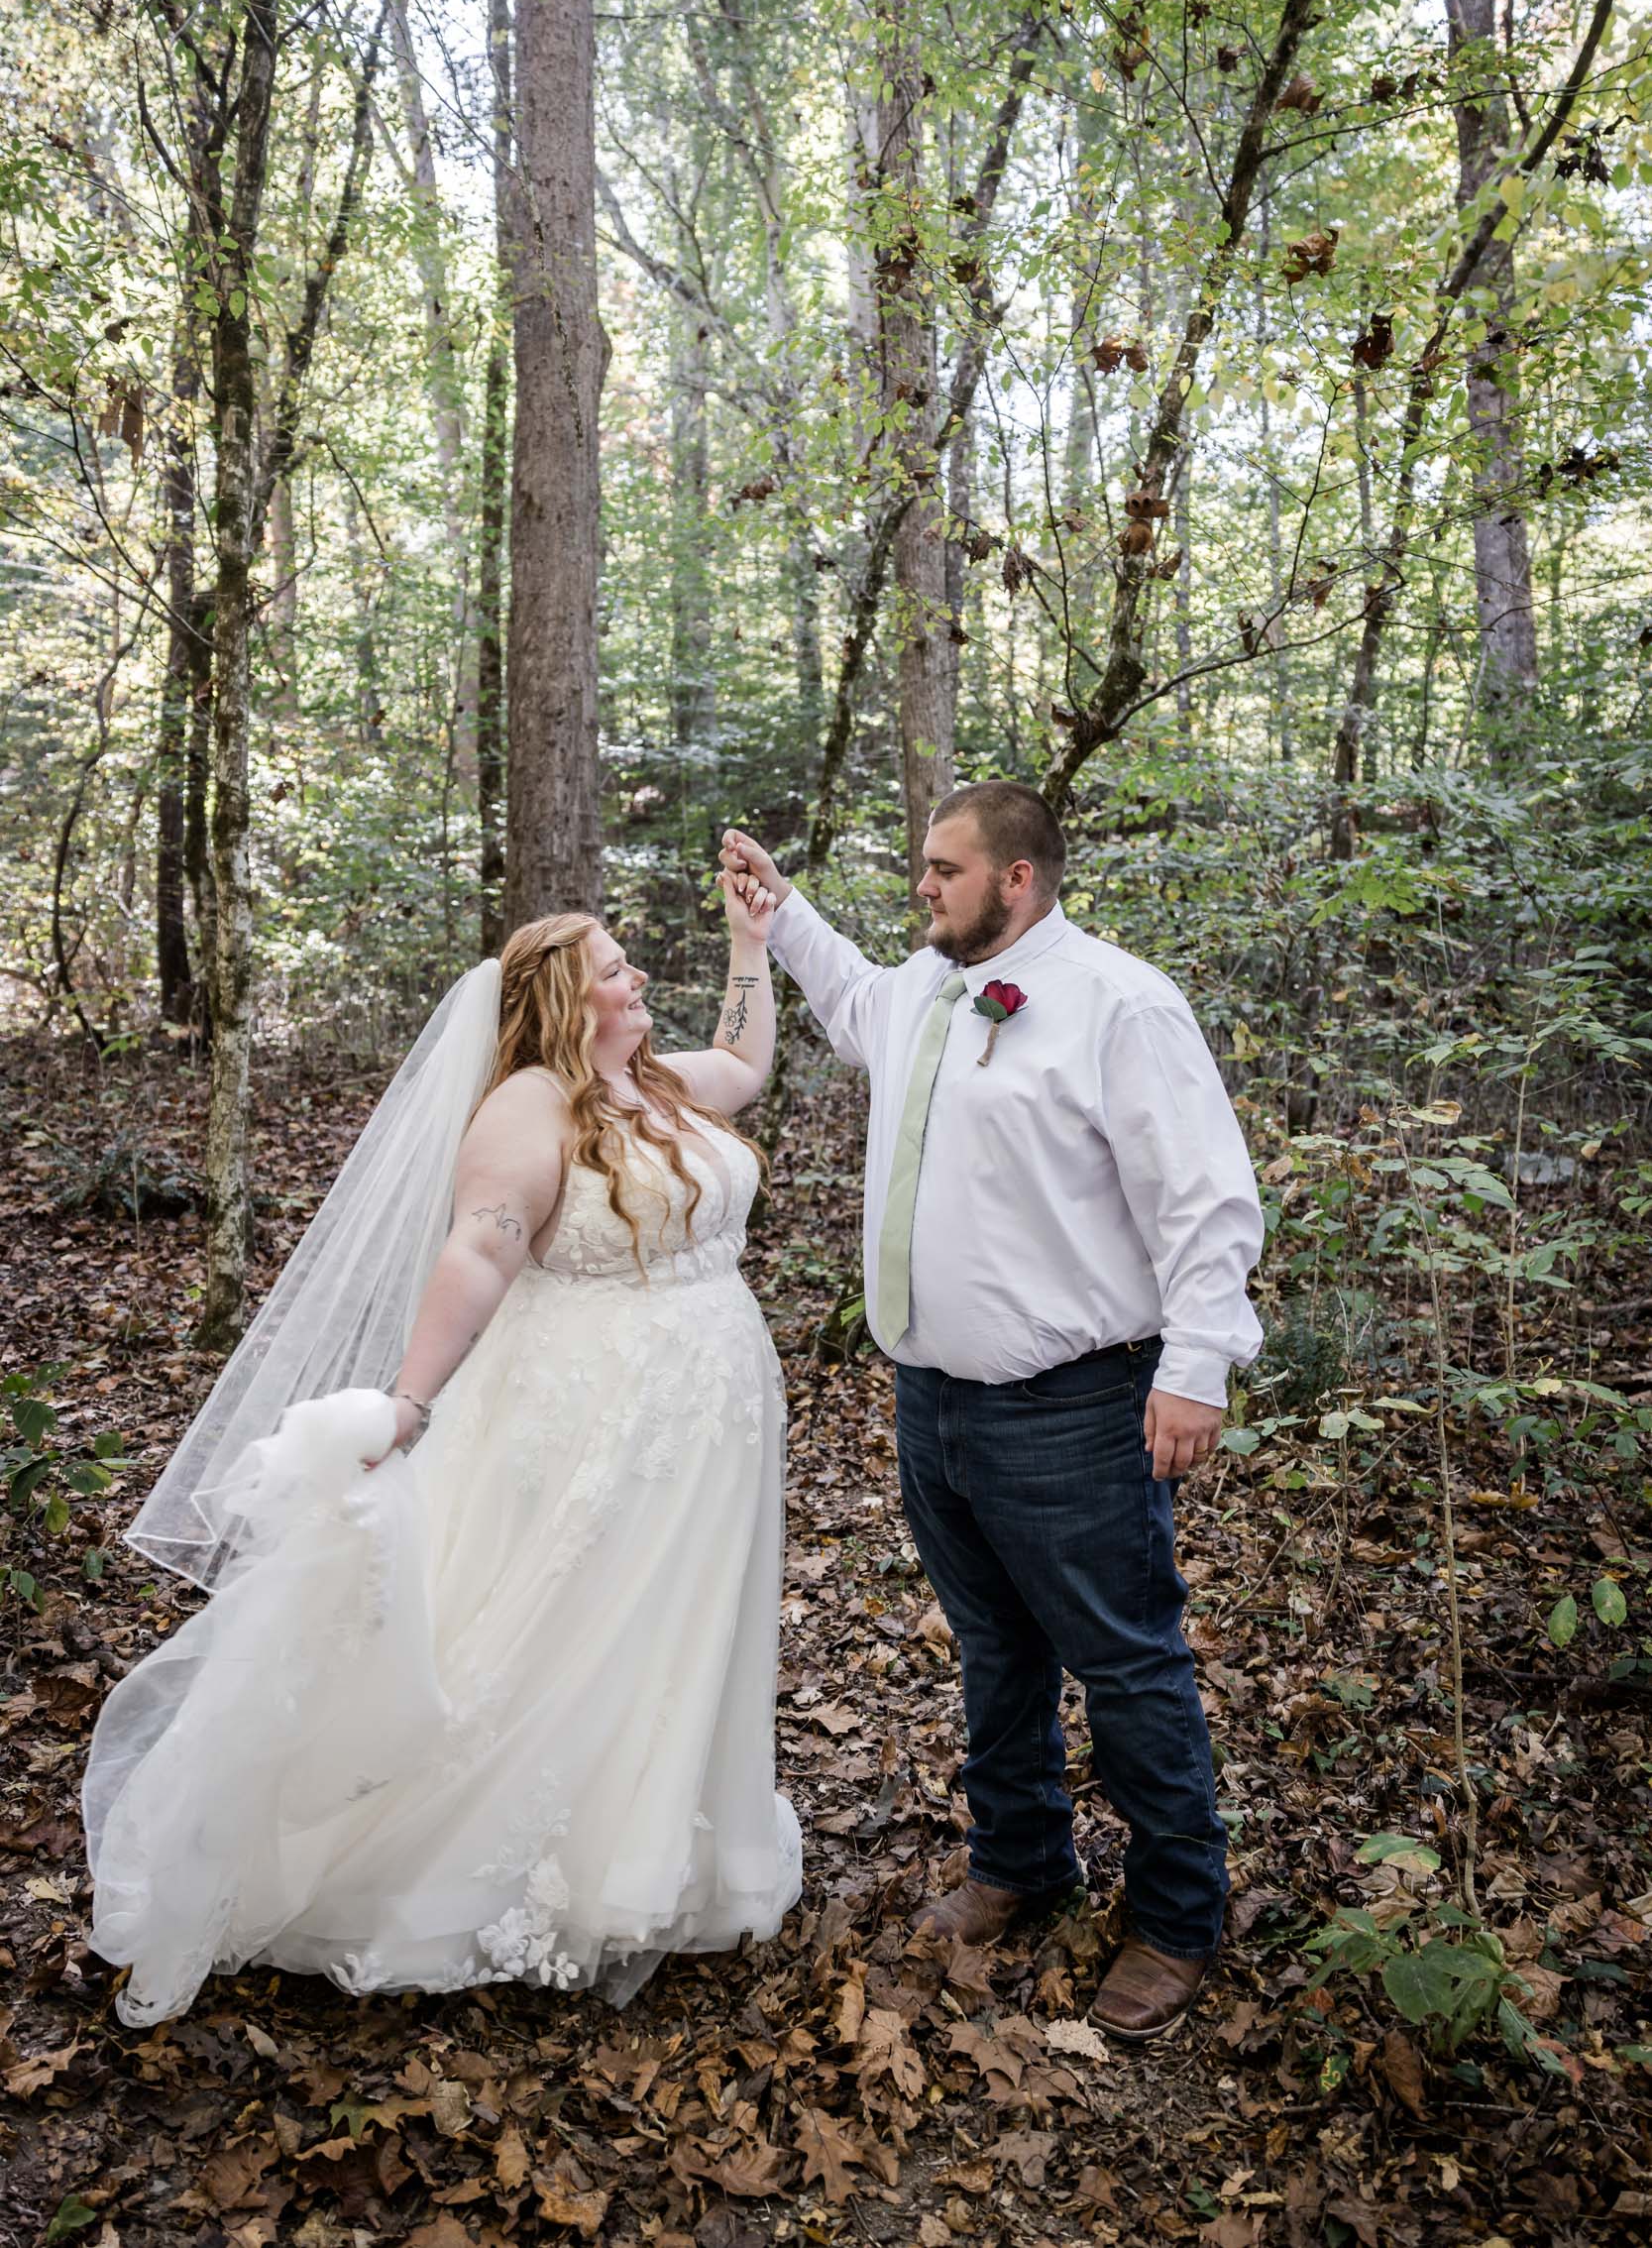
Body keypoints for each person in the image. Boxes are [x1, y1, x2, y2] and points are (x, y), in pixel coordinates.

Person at [83, 877, 801, 2027]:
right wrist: (409, 1399)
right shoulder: (529, 1104)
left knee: (679, 1620)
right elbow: (480, 1249)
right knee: (578, 1613)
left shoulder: (654, 1082)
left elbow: (746, 1066)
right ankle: (497, 1857)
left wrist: (748, 948)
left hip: (711, 1416)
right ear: (568, 1000)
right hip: (601, 1407)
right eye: (615, 969)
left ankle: (652, 1842)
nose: (634, 980)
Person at [721, 783, 1263, 2044]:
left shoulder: (1118, 1004)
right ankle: (1018, 1860)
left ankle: (1178, 1915)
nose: (922, 886)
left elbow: (1203, 1199)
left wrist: (1196, 1365)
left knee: (1125, 1661)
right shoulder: (920, 986)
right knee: (992, 1648)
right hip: (933, 1402)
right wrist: (781, 909)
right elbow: (851, 1001)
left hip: (1073, 1408)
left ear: (1016, 879)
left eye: (942, 870)